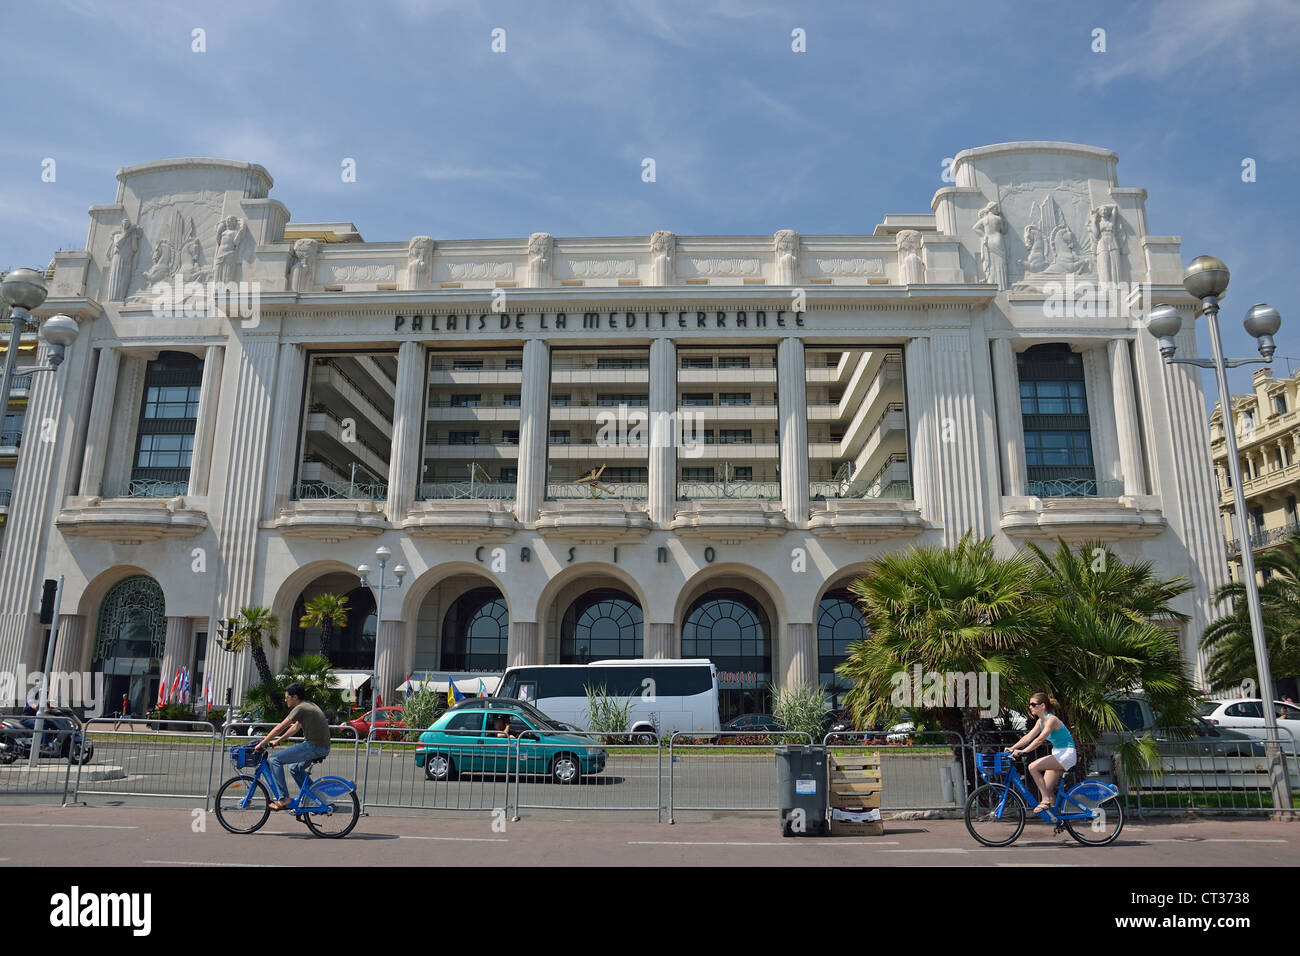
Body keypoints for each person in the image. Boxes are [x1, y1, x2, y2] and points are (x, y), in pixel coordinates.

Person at [254, 683, 331, 811]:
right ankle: (318, 800)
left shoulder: (300, 708)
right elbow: (295, 727)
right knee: (295, 769)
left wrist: (262, 743)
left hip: (314, 746)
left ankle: (284, 798)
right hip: (321, 747)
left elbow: (281, 727)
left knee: (274, 760)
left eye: (286, 697)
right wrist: (278, 741)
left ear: (294, 697)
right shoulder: (309, 705)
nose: (285, 700)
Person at [1008, 692, 1076, 815]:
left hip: (1066, 754)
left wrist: (1023, 751)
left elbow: (1040, 739)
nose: (1030, 707)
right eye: (1030, 704)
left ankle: (1045, 801)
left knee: (1033, 767)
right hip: (1058, 754)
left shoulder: (1052, 720)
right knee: (1046, 787)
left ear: (1043, 706)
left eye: (1033, 704)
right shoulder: (1040, 721)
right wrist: (1013, 748)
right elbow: (1028, 737)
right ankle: (1057, 817)